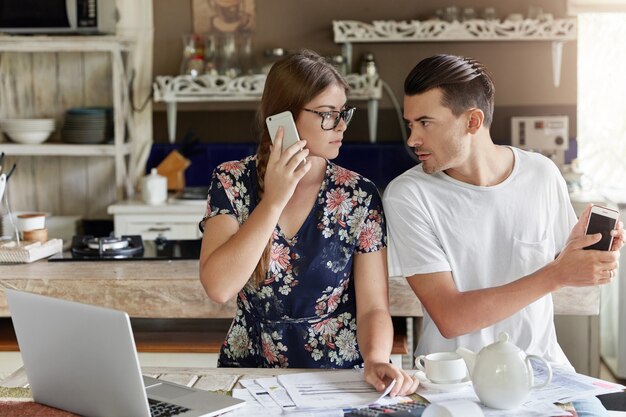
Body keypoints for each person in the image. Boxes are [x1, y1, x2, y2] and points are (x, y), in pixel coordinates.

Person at [383, 54, 624, 414]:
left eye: (425, 123)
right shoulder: (408, 195)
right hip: (454, 383)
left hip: (544, 375)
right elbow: (451, 317)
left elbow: (566, 276)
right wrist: (556, 273)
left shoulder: (541, 174)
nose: (412, 139)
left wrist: (584, 255)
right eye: (410, 124)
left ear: (473, 121)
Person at [199, 49, 417, 396]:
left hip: (336, 381)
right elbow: (219, 287)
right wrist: (274, 200)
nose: (342, 126)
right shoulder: (230, 180)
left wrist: (377, 358)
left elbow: (374, 306)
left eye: (343, 113)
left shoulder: (358, 194)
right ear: (282, 118)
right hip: (250, 375)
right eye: (328, 115)